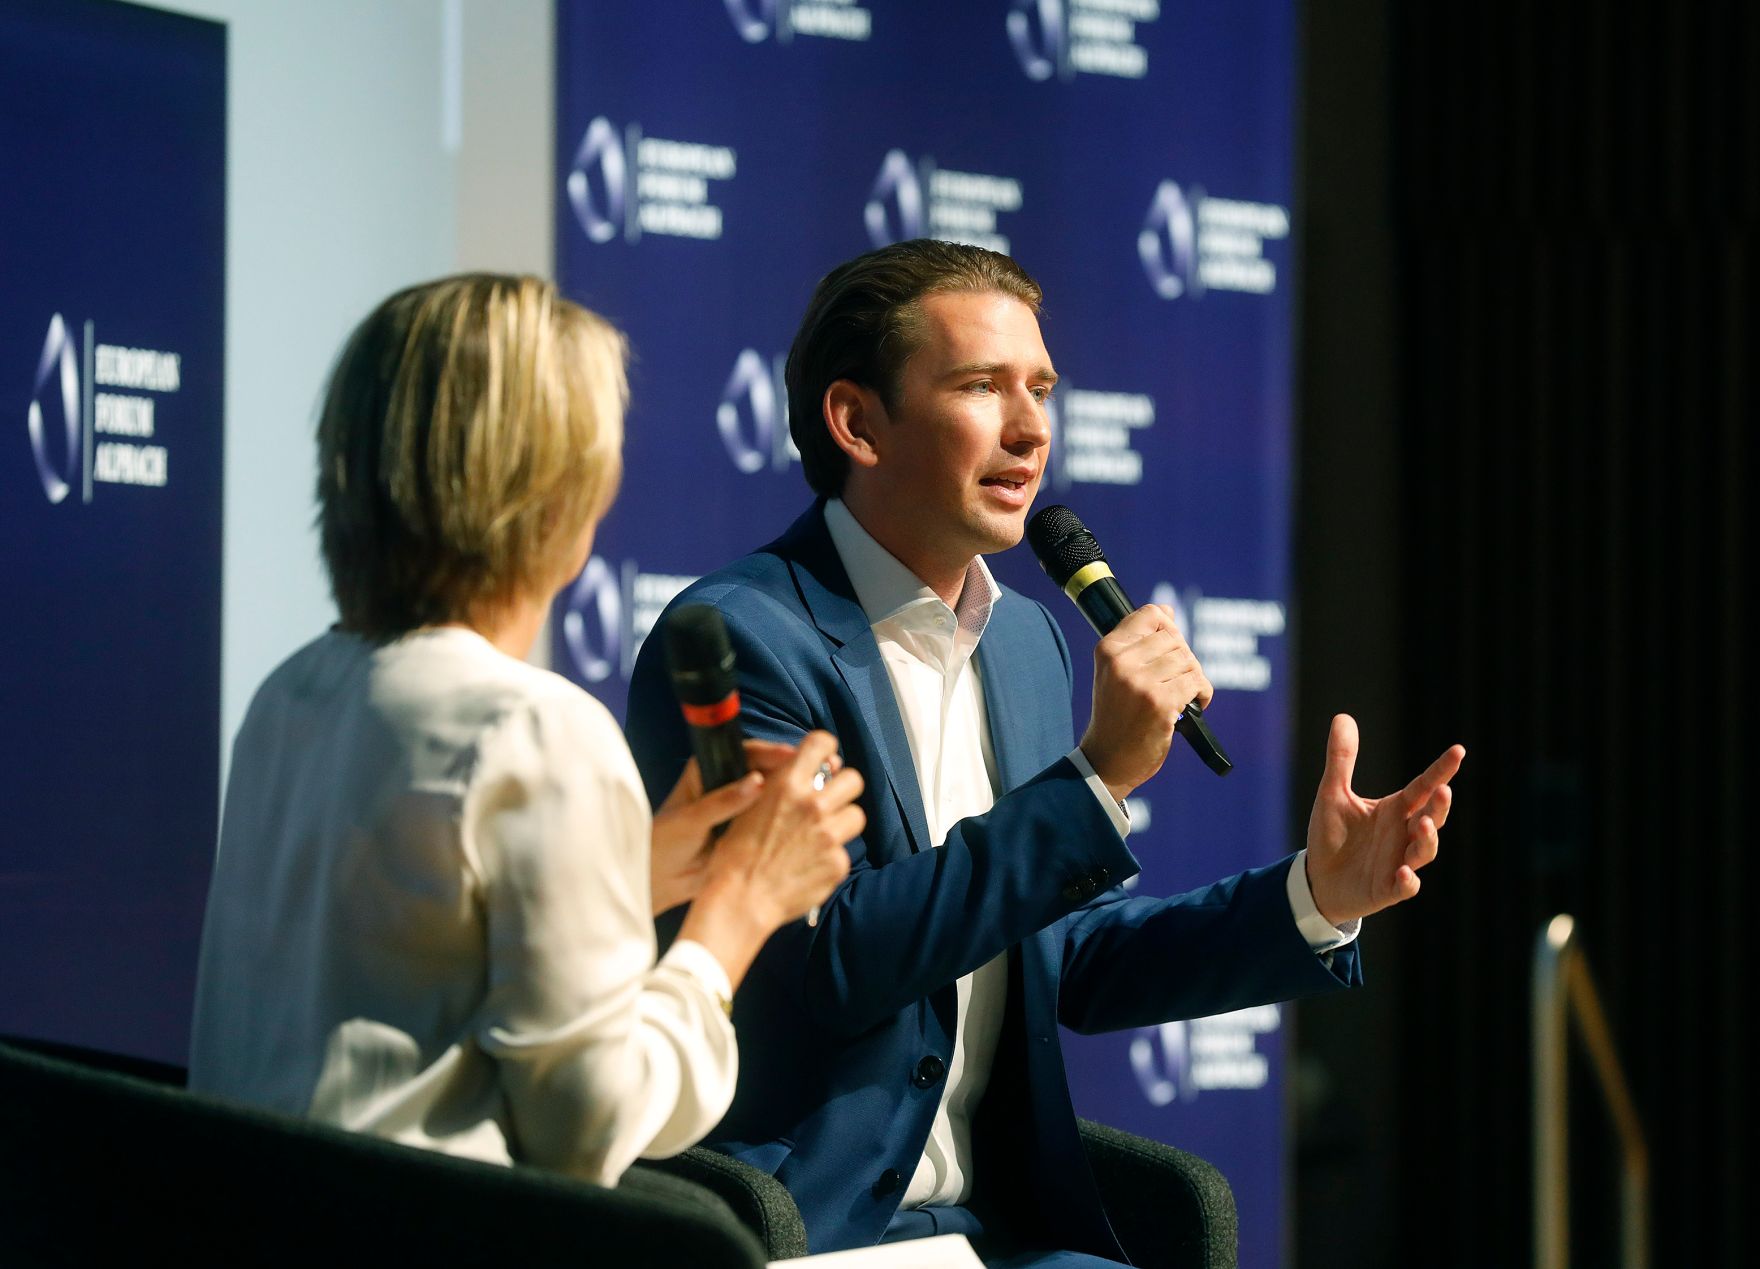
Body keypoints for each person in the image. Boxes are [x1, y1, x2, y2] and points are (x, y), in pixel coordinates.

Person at [624, 240, 1464, 1264]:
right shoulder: (741, 638)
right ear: (856, 422)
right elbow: (824, 964)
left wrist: (1315, 898)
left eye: (1041, 390)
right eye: (981, 387)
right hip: (808, 1232)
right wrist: (1095, 779)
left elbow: (1062, 959)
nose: (1030, 431)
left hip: (995, 1233)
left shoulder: (1024, 640)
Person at [188, 274, 862, 1187]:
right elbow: (591, 1127)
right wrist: (734, 912)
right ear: (557, 490)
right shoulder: (536, 729)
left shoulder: (293, 692)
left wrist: (632, 866)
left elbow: (418, 949)